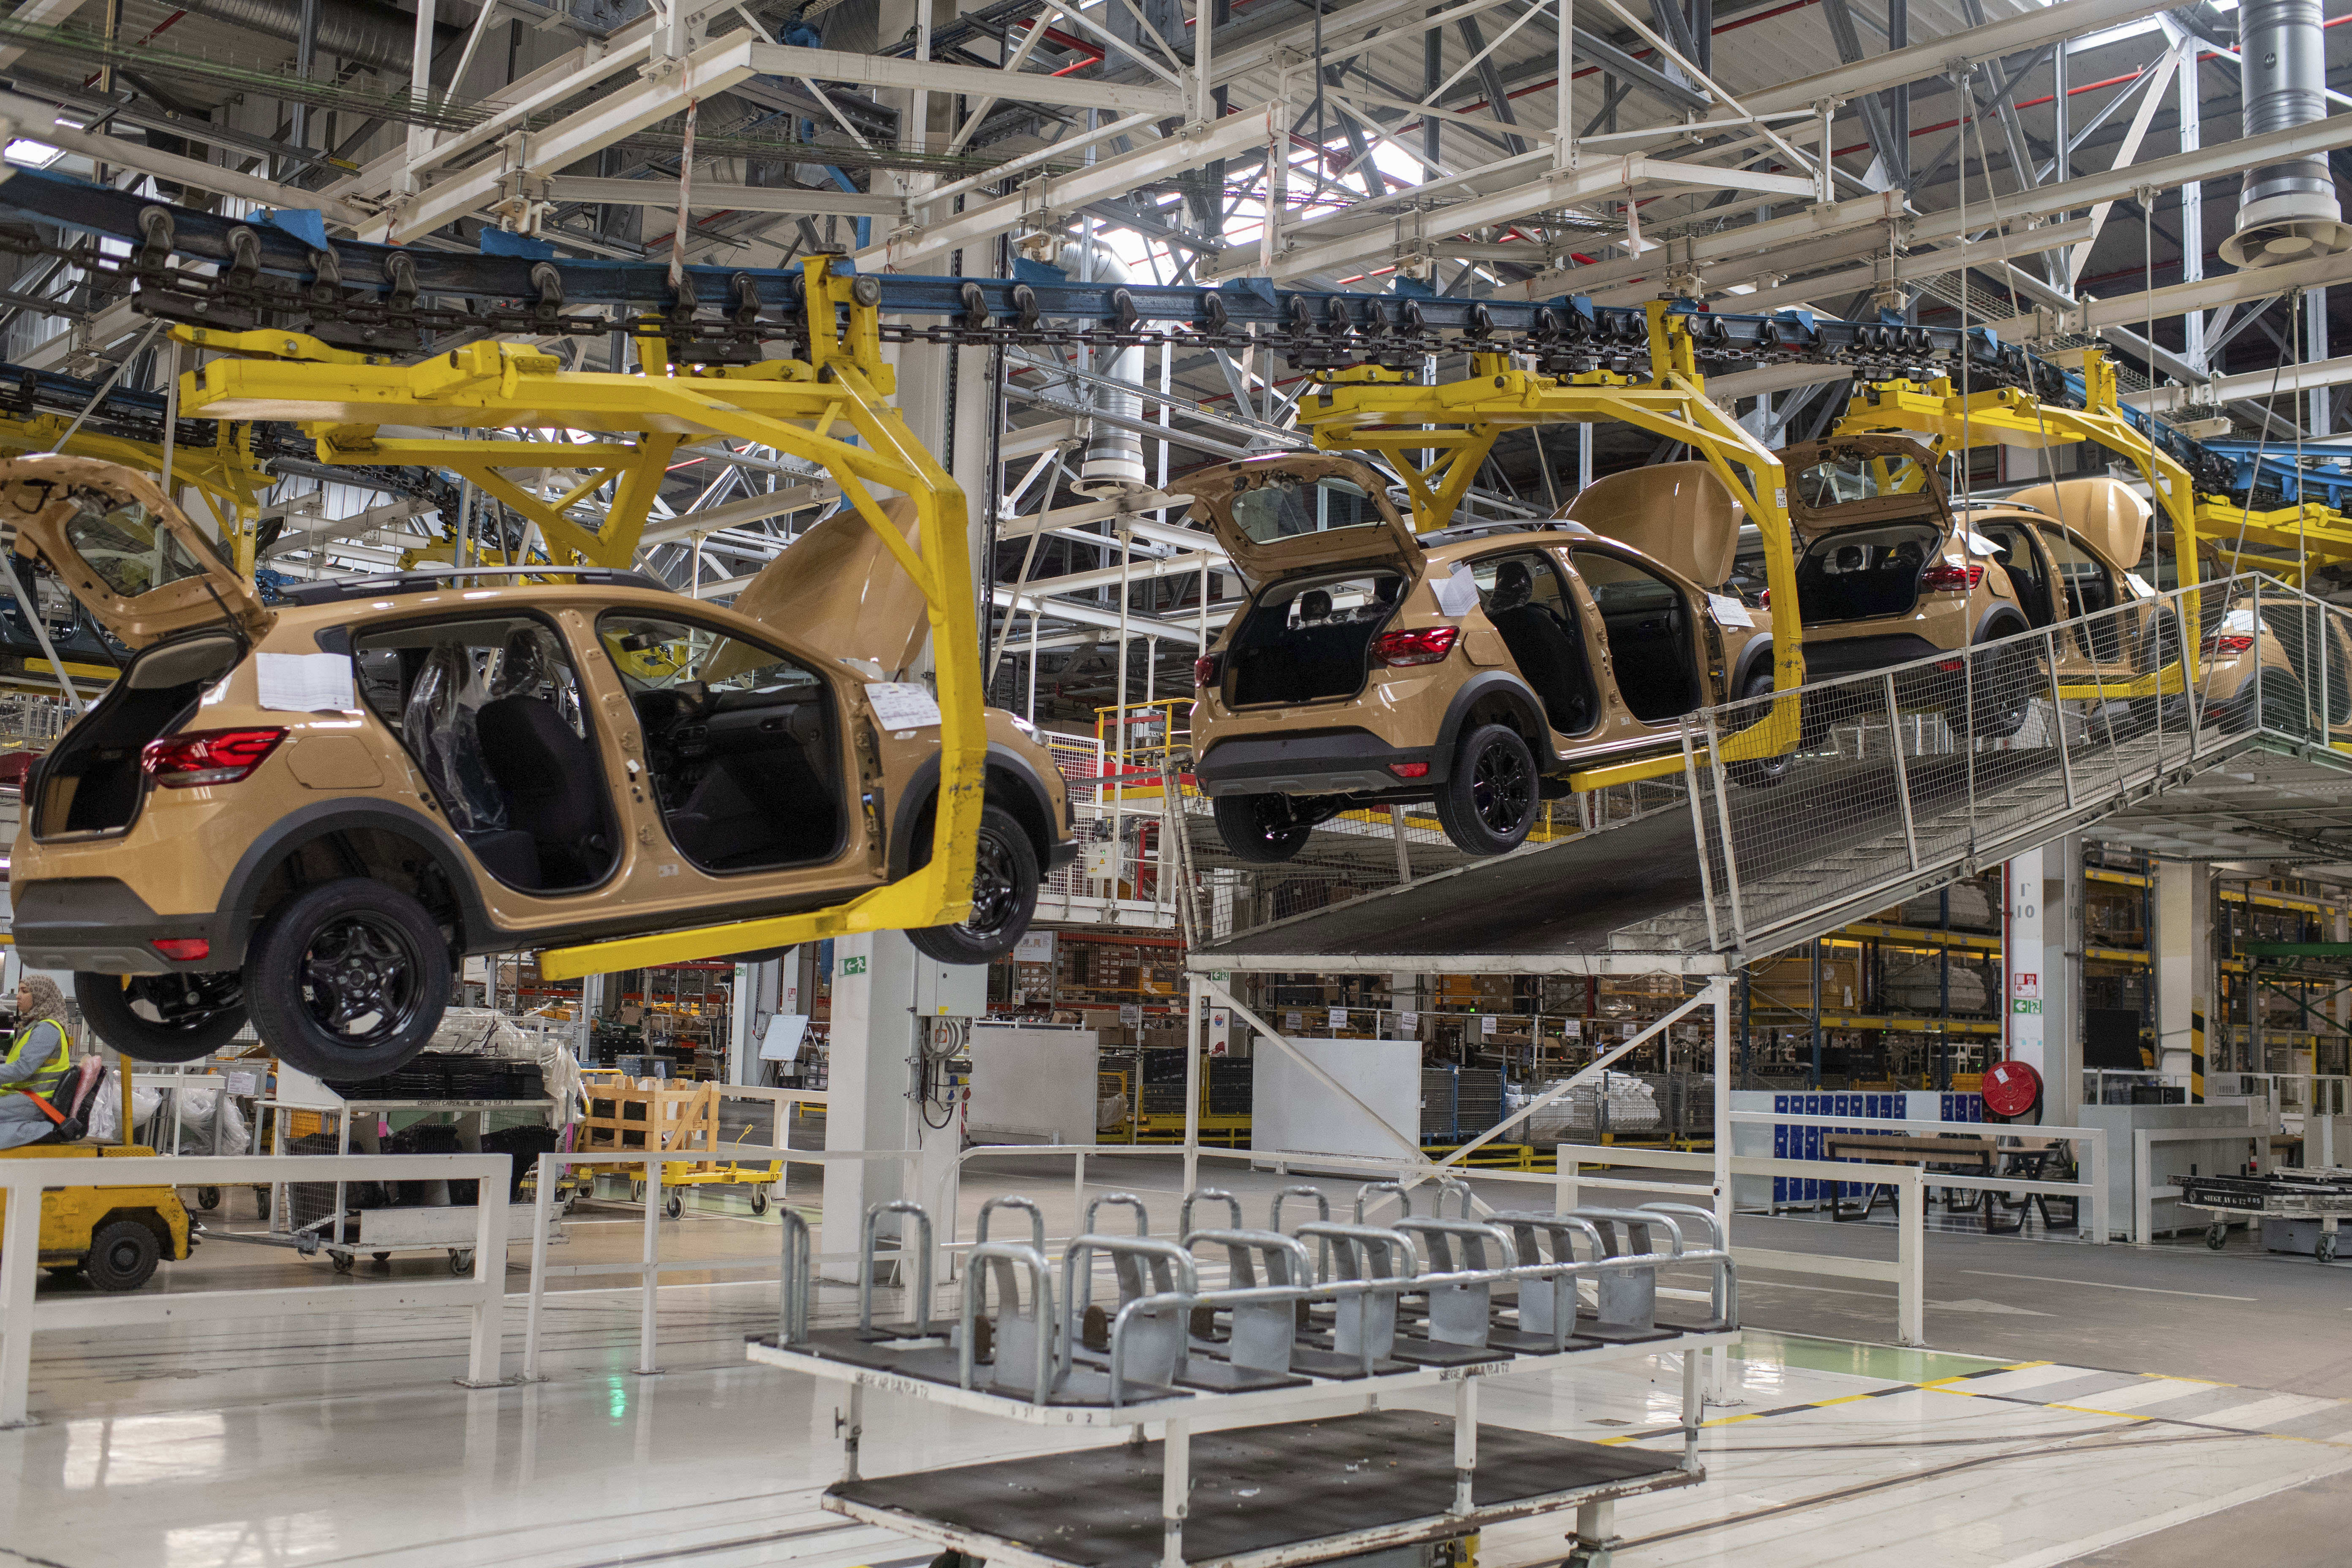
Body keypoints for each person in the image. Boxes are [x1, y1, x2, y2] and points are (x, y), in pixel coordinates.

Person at [0, 975, 73, 1149]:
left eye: (24, 992)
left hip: (37, 1102)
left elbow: (23, 1068)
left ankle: (40, 1129)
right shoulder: (35, 1027)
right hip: (26, 1097)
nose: (18, 996)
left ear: (41, 996)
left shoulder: (47, 1029)